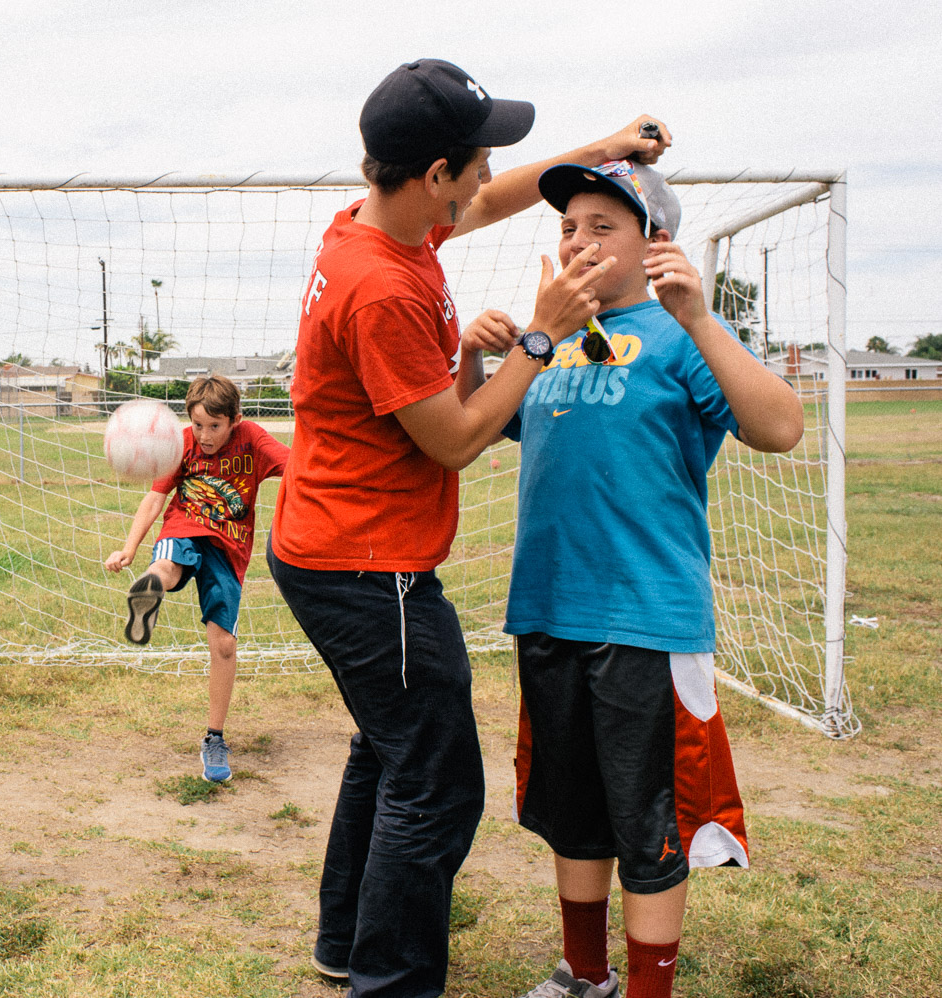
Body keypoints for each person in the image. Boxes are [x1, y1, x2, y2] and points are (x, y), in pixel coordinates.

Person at [266, 57, 670, 998]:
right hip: (370, 569)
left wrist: (602, 150)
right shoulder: (384, 285)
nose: (491, 175)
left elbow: (493, 205)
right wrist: (539, 338)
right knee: (438, 786)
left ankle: (345, 943)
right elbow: (452, 441)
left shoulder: (375, 225)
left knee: (389, 747)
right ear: (435, 171)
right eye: (480, 158)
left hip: (332, 545)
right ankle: (392, 982)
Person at [503, 161, 803, 998]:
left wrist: (699, 315)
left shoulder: (679, 336)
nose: (579, 239)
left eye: (604, 225)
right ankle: (583, 973)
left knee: (650, 823)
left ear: (655, 242)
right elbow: (490, 427)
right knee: (574, 812)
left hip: (645, 620)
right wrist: (475, 352)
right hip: (548, 609)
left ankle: (647, 988)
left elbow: (780, 427)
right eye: (569, 226)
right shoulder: (554, 337)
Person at [104, 374, 289, 782]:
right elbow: (155, 497)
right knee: (167, 566)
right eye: (198, 425)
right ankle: (148, 592)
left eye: (214, 427)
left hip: (228, 549)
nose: (204, 435)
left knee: (223, 644)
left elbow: (296, 469)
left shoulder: (253, 439)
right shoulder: (181, 442)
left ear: (235, 419)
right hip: (184, 528)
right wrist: (130, 548)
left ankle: (215, 738)